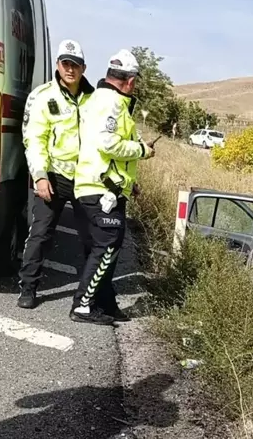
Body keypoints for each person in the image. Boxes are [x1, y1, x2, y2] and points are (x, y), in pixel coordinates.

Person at [70, 49, 155, 325]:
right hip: (100, 189)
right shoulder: (113, 103)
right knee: (107, 246)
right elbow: (107, 144)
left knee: (102, 247)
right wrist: (142, 150)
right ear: (129, 81)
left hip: (99, 186)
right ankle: (83, 305)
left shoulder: (99, 99)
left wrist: (132, 183)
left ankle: (105, 303)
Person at [17, 39, 95, 309]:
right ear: (58, 65)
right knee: (41, 233)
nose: (70, 69)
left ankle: (89, 294)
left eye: (75, 64)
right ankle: (28, 287)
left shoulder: (94, 100)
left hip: (86, 179)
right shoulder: (43, 96)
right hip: (54, 176)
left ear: (84, 67)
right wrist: (39, 175)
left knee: (92, 238)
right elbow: (35, 139)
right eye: (65, 63)